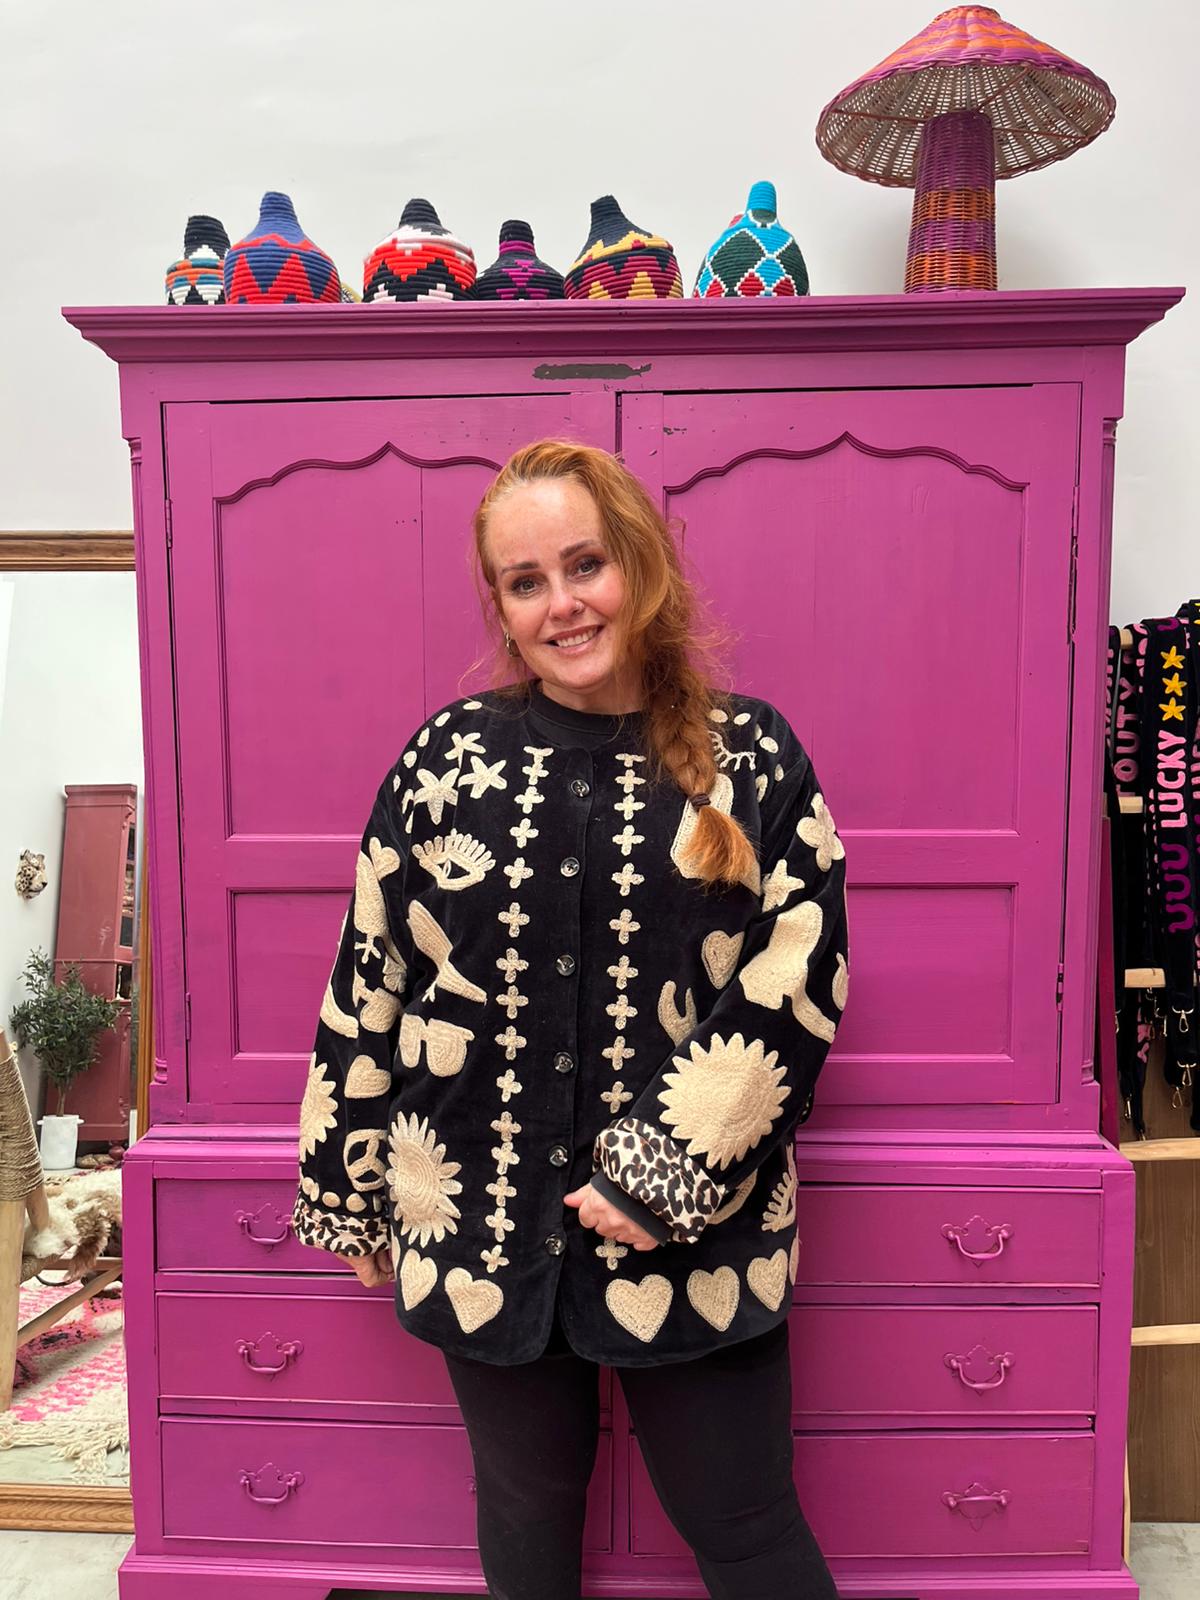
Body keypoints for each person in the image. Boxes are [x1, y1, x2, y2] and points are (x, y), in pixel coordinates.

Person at [292, 439, 849, 1600]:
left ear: (638, 562)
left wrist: (664, 1165)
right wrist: (349, 1184)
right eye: (525, 581)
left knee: (746, 1523)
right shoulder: (443, 760)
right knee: (525, 1522)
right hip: (480, 1221)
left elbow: (797, 977)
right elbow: (369, 976)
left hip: (699, 1229)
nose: (562, 604)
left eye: (584, 564)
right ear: (499, 603)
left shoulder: (754, 757)